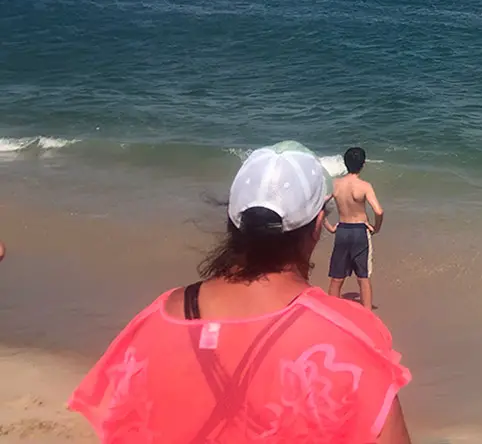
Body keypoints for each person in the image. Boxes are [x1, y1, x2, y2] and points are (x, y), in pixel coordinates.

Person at [69, 141, 413, 442]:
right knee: (362, 278)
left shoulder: (156, 319)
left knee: (336, 280)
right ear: (315, 227)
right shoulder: (352, 341)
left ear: (232, 222)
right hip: (357, 238)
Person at [325, 146, 384, 311]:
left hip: (342, 230)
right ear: (363, 164)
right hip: (360, 231)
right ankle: (367, 315)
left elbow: (319, 206)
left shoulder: (335, 184)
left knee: (337, 278)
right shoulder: (364, 186)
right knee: (363, 277)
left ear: (345, 163)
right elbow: (379, 211)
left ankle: (331, 313)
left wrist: (329, 227)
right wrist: (375, 228)